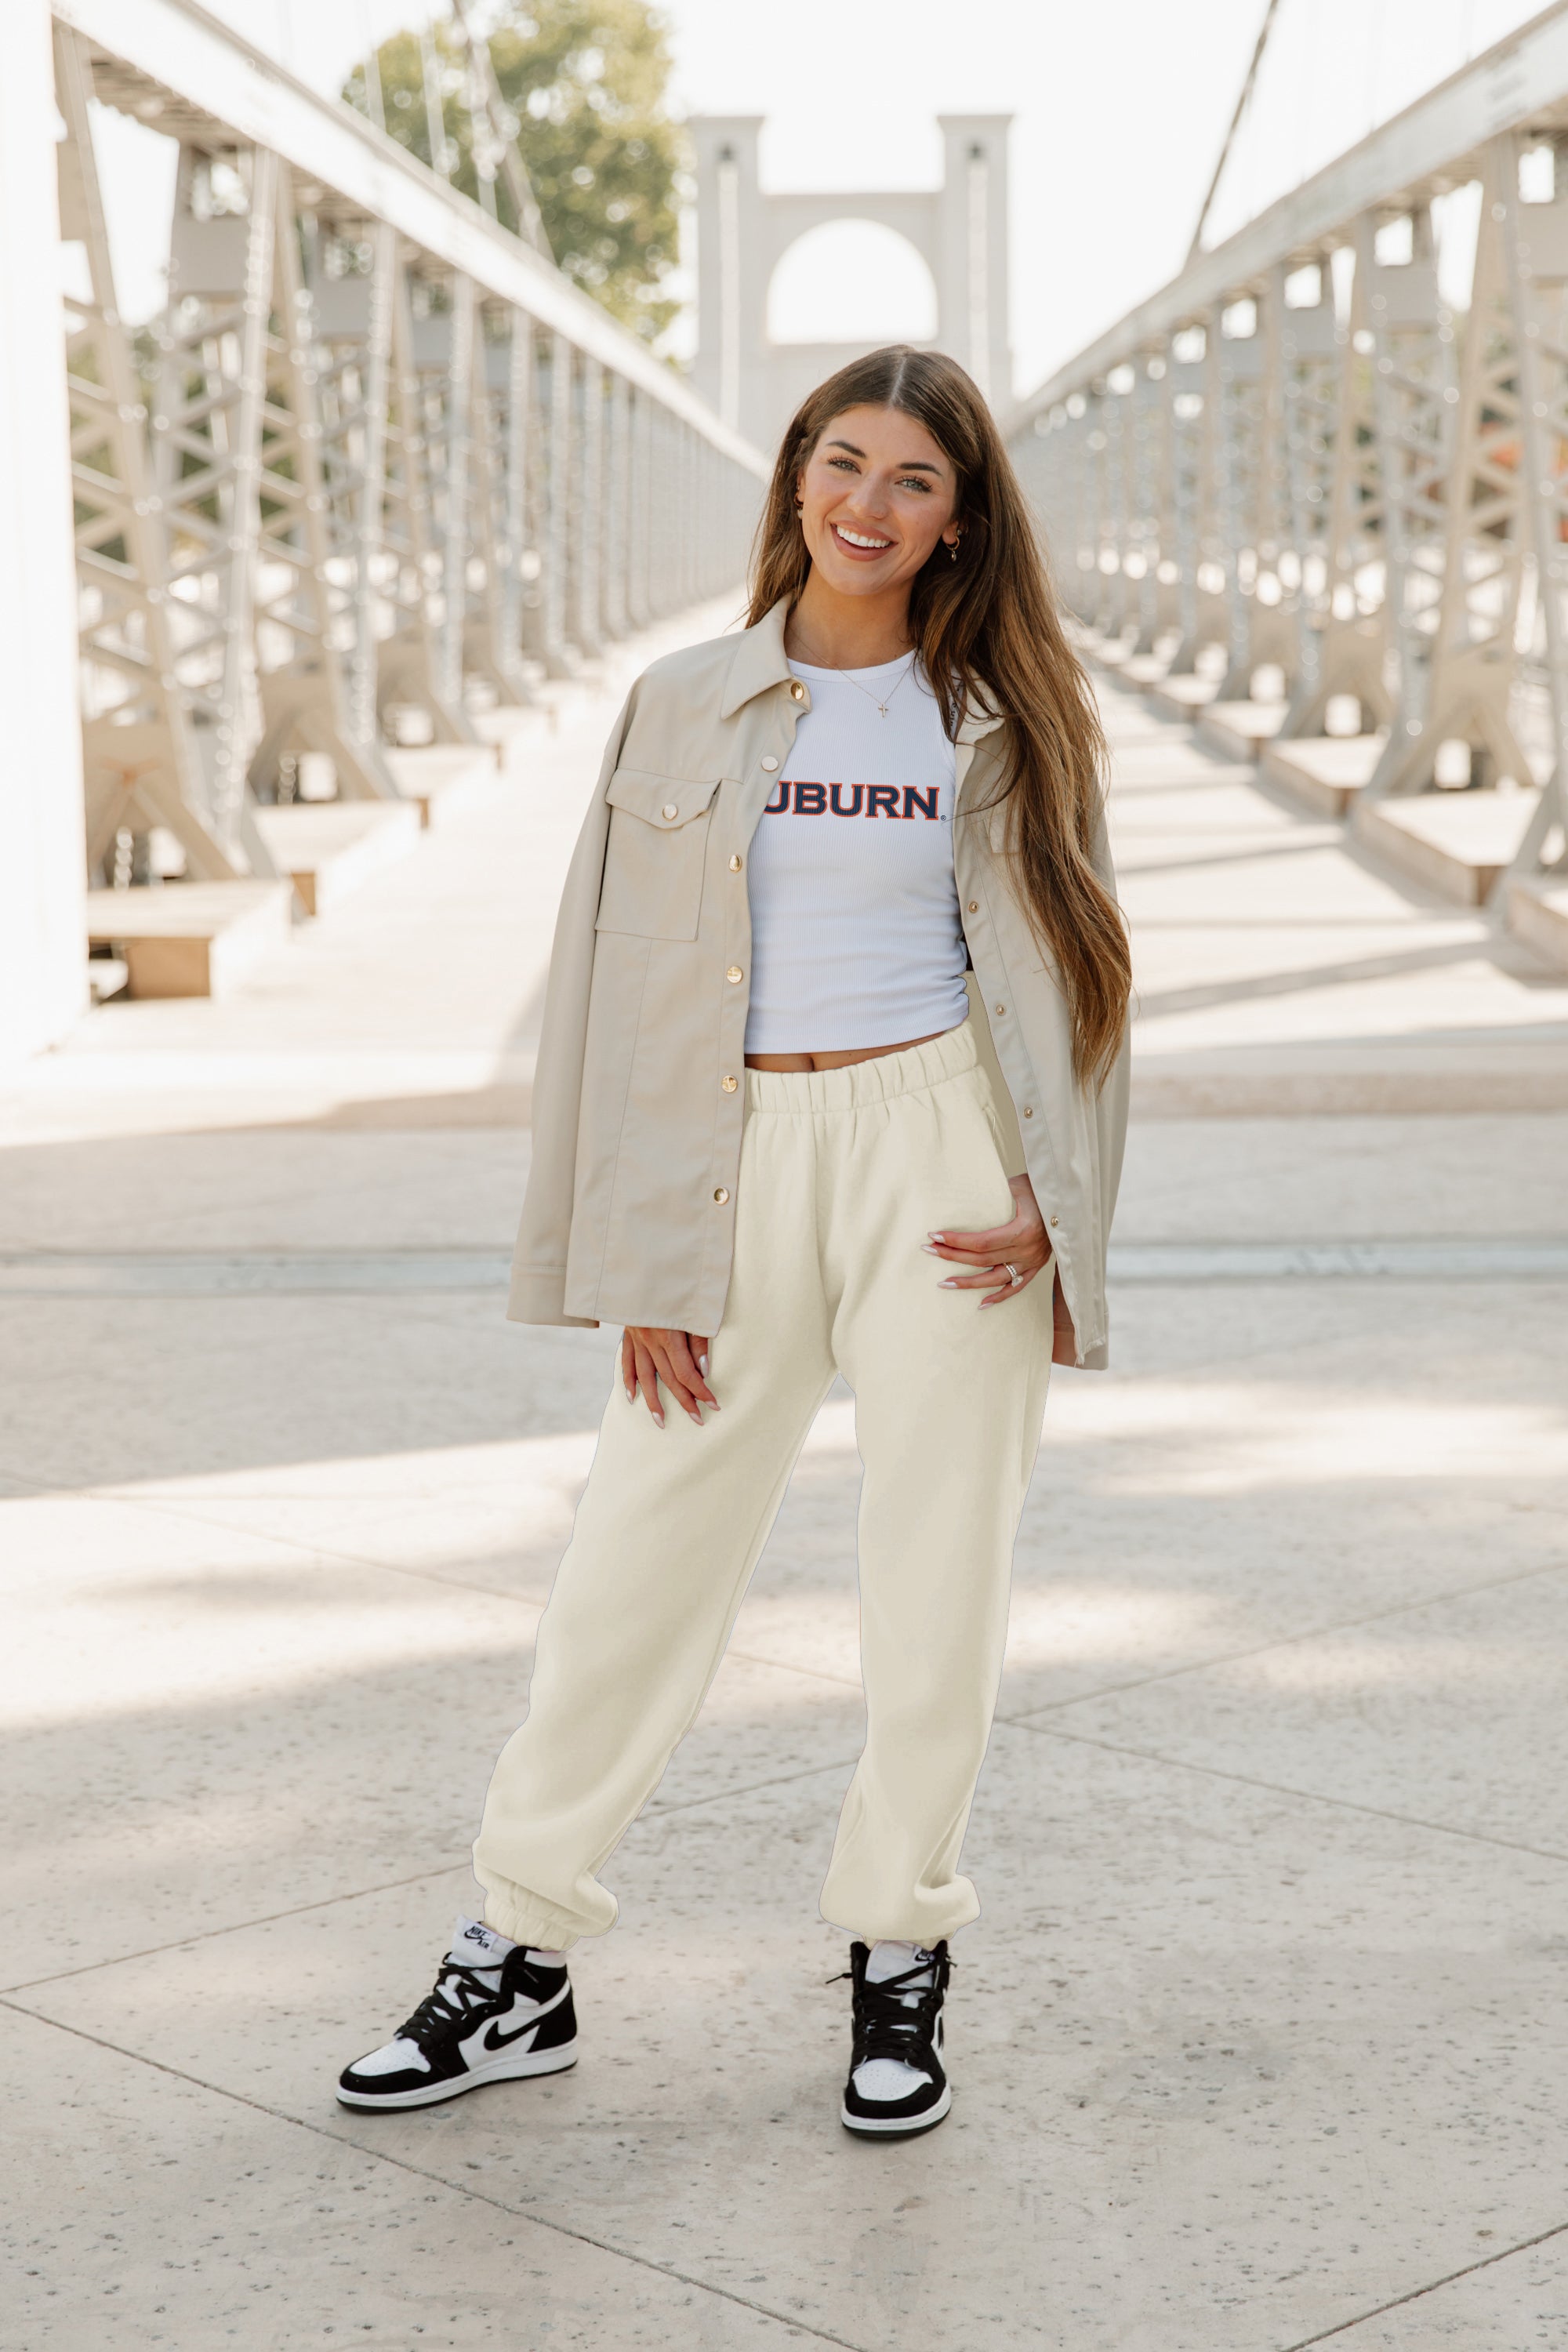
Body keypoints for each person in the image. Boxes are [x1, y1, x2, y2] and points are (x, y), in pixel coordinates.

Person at [337, 345, 1131, 2140]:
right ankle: (518, 1952)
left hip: (942, 1155)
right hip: (732, 1157)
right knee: (635, 1559)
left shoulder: (1005, 712)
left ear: (958, 518)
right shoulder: (682, 699)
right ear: (792, 480)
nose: (867, 503)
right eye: (840, 463)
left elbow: (1086, 975)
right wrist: (635, 1253)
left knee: (937, 1581)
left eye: (912, 479)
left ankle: (897, 1953)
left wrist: (1051, 1202)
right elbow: (611, 991)